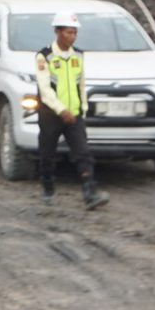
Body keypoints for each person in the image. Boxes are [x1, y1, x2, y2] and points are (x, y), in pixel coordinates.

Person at [35, 12, 110, 210]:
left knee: (83, 152)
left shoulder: (78, 55)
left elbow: (81, 84)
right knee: (47, 153)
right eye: (69, 32)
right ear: (58, 32)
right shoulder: (45, 56)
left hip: (74, 114)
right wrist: (61, 110)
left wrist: (82, 109)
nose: (73, 36)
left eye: (75, 32)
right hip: (51, 114)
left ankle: (89, 191)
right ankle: (48, 187)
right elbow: (44, 89)